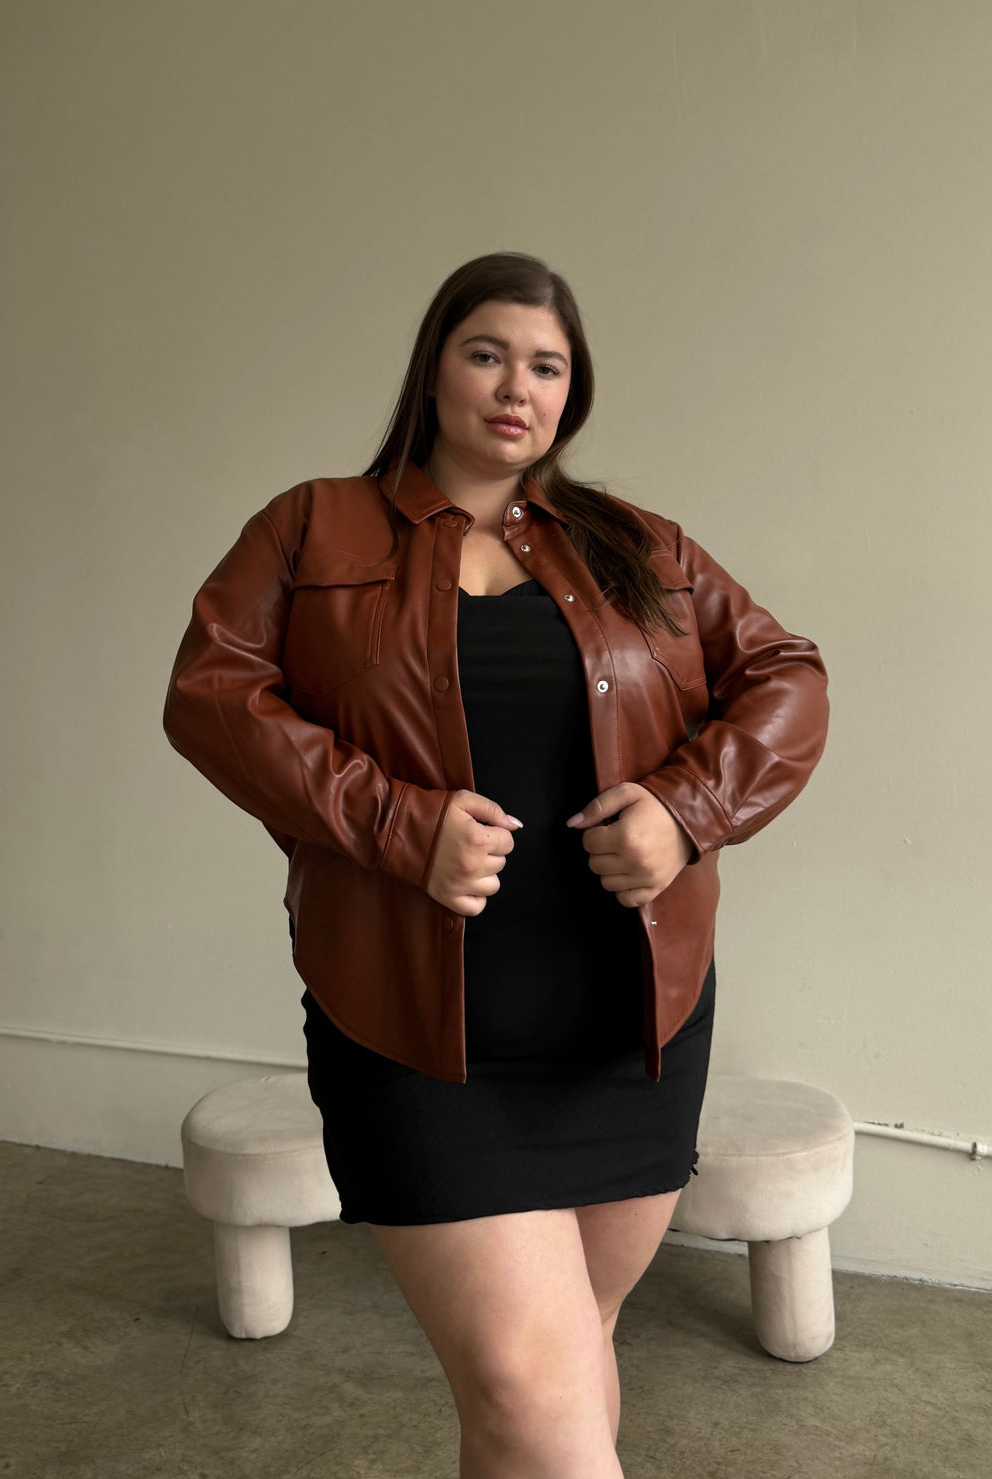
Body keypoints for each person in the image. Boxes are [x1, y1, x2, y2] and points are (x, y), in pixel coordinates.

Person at [163, 250, 829, 1477]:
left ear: (571, 395)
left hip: (629, 1032)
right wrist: (395, 824)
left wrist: (685, 810)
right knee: (534, 1390)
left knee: (552, 1380)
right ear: (433, 371)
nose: (516, 387)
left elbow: (785, 674)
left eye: (546, 366)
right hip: (414, 1031)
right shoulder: (313, 526)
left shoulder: (637, 546)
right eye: (486, 354)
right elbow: (211, 696)